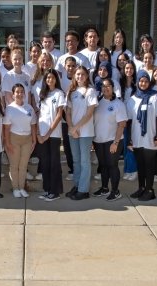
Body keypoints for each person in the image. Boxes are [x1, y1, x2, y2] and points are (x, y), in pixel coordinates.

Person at [127, 71, 157, 201]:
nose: (143, 83)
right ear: (137, 82)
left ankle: (150, 190)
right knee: (140, 165)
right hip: (137, 137)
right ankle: (141, 188)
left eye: (146, 81)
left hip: (151, 136)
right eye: (141, 81)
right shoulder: (132, 99)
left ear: (149, 82)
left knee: (149, 165)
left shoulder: (155, 97)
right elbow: (130, 121)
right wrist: (130, 139)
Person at [65, 66, 98, 200]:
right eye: (77, 74)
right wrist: (71, 128)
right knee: (76, 161)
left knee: (85, 161)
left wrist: (76, 127)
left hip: (85, 132)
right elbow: (67, 112)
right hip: (73, 132)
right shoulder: (71, 92)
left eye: (82, 74)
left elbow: (89, 113)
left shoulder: (90, 91)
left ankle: (83, 190)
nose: (80, 77)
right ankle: (77, 185)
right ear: (74, 76)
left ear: (86, 76)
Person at [92, 78, 127, 201]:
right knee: (103, 165)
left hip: (112, 140)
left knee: (112, 165)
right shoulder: (98, 102)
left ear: (113, 88)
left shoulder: (118, 104)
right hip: (98, 140)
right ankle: (104, 188)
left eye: (108, 86)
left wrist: (115, 143)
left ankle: (115, 191)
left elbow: (122, 124)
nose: (105, 88)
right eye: (103, 86)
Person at [37, 69, 66, 201]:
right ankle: (47, 189)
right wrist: (39, 133)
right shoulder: (43, 94)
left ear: (56, 79)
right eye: (48, 78)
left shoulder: (59, 94)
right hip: (42, 134)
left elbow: (59, 115)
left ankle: (55, 191)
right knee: (45, 163)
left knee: (54, 164)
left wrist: (48, 133)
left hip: (53, 135)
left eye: (52, 77)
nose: (50, 80)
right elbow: (40, 115)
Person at [3, 84, 36, 198]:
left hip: (27, 139)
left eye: (22, 91)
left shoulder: (29, 108)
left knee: (23, 165)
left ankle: (21, 187)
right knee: (14, 165)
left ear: (25, 94)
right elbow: (6, 128)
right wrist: (7, 143)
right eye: (17, 92)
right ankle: (15, 188)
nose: (19, 94)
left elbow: (33, 125)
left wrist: (34, 140)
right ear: (13, 94)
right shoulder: (9, 108)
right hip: (13, 139)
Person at [119, 60, 138, 181]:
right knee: (125, 145)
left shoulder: (137, 85)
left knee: (130, 144)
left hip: (133, 118)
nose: (129, 70)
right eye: (127, 68)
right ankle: (127, 169)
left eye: (131, 68)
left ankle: (133, 170)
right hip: (121, 118)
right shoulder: (119, 84)